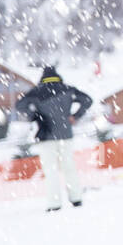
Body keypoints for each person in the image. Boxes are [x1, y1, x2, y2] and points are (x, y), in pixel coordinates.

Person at [14, 66, 92, 212]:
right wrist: (75, 116)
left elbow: (19, 105)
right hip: (66, 135)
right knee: (69, 167)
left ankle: (54, 204)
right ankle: (76, 199)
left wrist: (35, 116)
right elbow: (87, 100)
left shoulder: (36, 92)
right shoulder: (67, 89)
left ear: (43, 77)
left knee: (51, 171)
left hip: (46, 135)